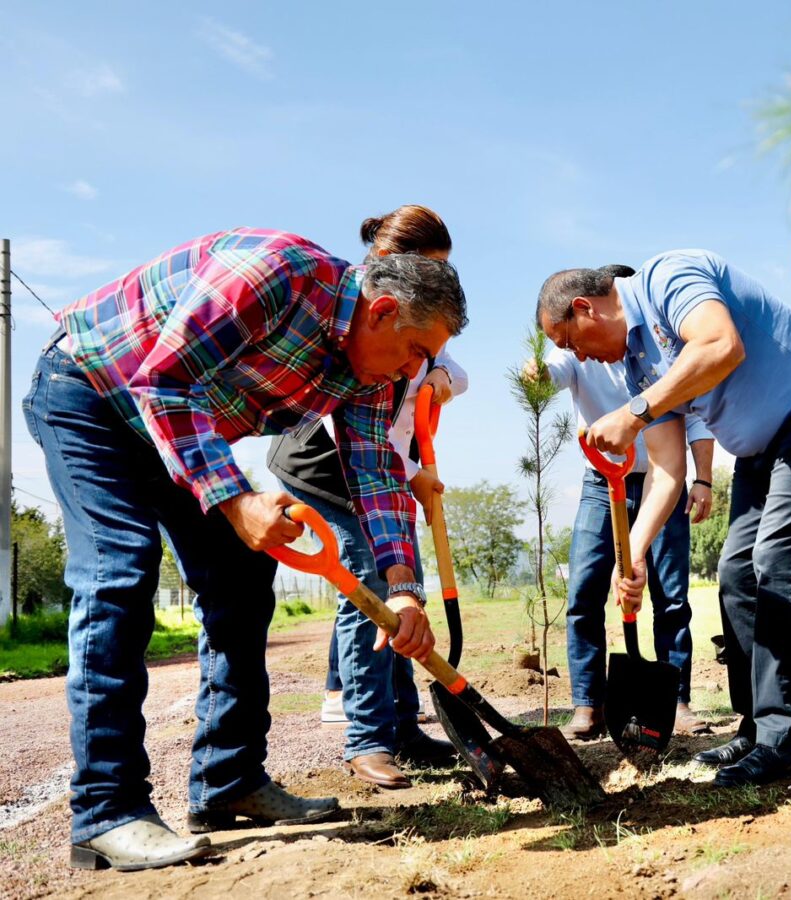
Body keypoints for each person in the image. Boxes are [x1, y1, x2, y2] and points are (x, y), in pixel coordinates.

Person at [23, 228, 465, 871]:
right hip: (92, 394)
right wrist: (236, 500)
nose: (413, 372)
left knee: (240, 577)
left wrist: (401, 583)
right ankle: (105, 811)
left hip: (170, 430)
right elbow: (164, 385)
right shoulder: (276, 275)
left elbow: (373, 471)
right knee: (120, 570)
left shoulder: (372, 372)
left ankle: (228, 782)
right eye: (414, 353)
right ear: (383, 310)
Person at [537, 250, 791, 787]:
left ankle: (787, 741)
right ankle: (756, 726)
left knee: (777, 563)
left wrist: (635, 412)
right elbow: (667, 472)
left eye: (570, 343)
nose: (579, 357)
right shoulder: (636, 367)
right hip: (764, 445)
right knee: (737, 574)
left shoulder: (668, 277)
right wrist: (635, 554)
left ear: (585, 309)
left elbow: (720, 345)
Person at [267, 206, 467, 789]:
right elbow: (351, 437)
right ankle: (367, 737)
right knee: (369, 577)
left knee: (403, 585)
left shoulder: (411, 330)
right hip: (314, 457)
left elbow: (379, 441)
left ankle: (403, 727)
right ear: (389, 265)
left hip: (374, 459)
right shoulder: (349, 311)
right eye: (429, 271)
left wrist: (410, 470)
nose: (439, 284)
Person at [525, 264, 715, 741]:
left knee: (671, 597)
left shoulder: (658, 356)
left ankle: (676, 700)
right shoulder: (578, 353)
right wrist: (533, 371)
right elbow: (552, 371)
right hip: (601, 483)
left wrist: (704, 479)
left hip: (660, 483)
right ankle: (588, 703)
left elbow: (694, 421)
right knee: (585, 592)